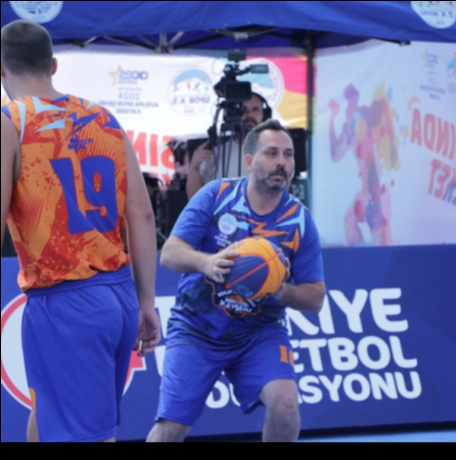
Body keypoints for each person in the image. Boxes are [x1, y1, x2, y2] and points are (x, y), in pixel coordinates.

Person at [0, 20, 161, 442]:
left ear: (1, 70)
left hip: (66, 302)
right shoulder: (103, 118)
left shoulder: (10, 122)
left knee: (88, 435)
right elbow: (142, 216)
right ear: (53, 65)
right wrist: (146, 302)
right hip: (119, 295)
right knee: (50, 412)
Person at [147, 119, 326, 442]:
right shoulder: (217, 194)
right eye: (271, 153)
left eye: (288, 155)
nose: (282, 162)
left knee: (285, 406)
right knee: (171, 428)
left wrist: (281, 290)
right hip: (197, 327)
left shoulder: (300, 220)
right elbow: (169, 253)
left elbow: (316, 299)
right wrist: (207, 262)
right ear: (249, 160)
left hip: (259, 333)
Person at [186, 92, 271, 200]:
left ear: (264, 114)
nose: (250, 115)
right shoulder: (214, 154)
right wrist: (194, 168)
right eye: (243, 109)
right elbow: (196, 200)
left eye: (255, 109)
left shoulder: (274, 152)